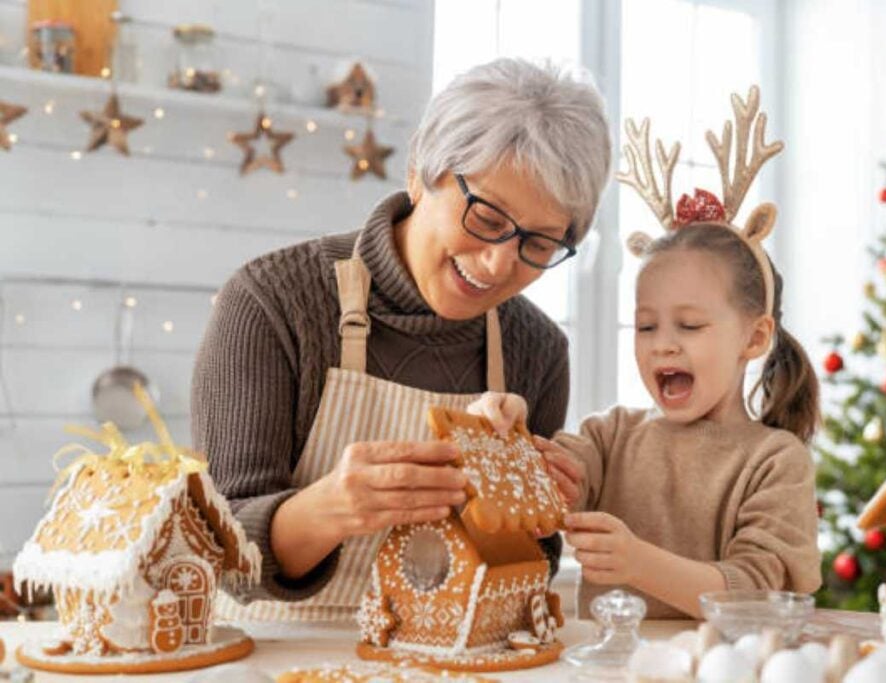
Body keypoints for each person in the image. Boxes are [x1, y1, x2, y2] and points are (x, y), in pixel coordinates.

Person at [190, 58, 611, 621]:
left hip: (454, 663)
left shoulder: (536, 348)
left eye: (539, 243)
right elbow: (217, 551)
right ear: (419, 173)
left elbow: (531, 568)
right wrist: (333, 507)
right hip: (282, 658)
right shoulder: (272, 303)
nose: (498, 262)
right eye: (487, 216)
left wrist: (533, 511)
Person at [469, 88, 822, 618]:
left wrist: (637, 563)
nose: (664, 343)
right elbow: (548, 486)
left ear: (754, 337)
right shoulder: (609, 438)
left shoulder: (774, 461)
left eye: (691, 324)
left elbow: (757, 596)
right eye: (646, 325)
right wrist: (512, 435)